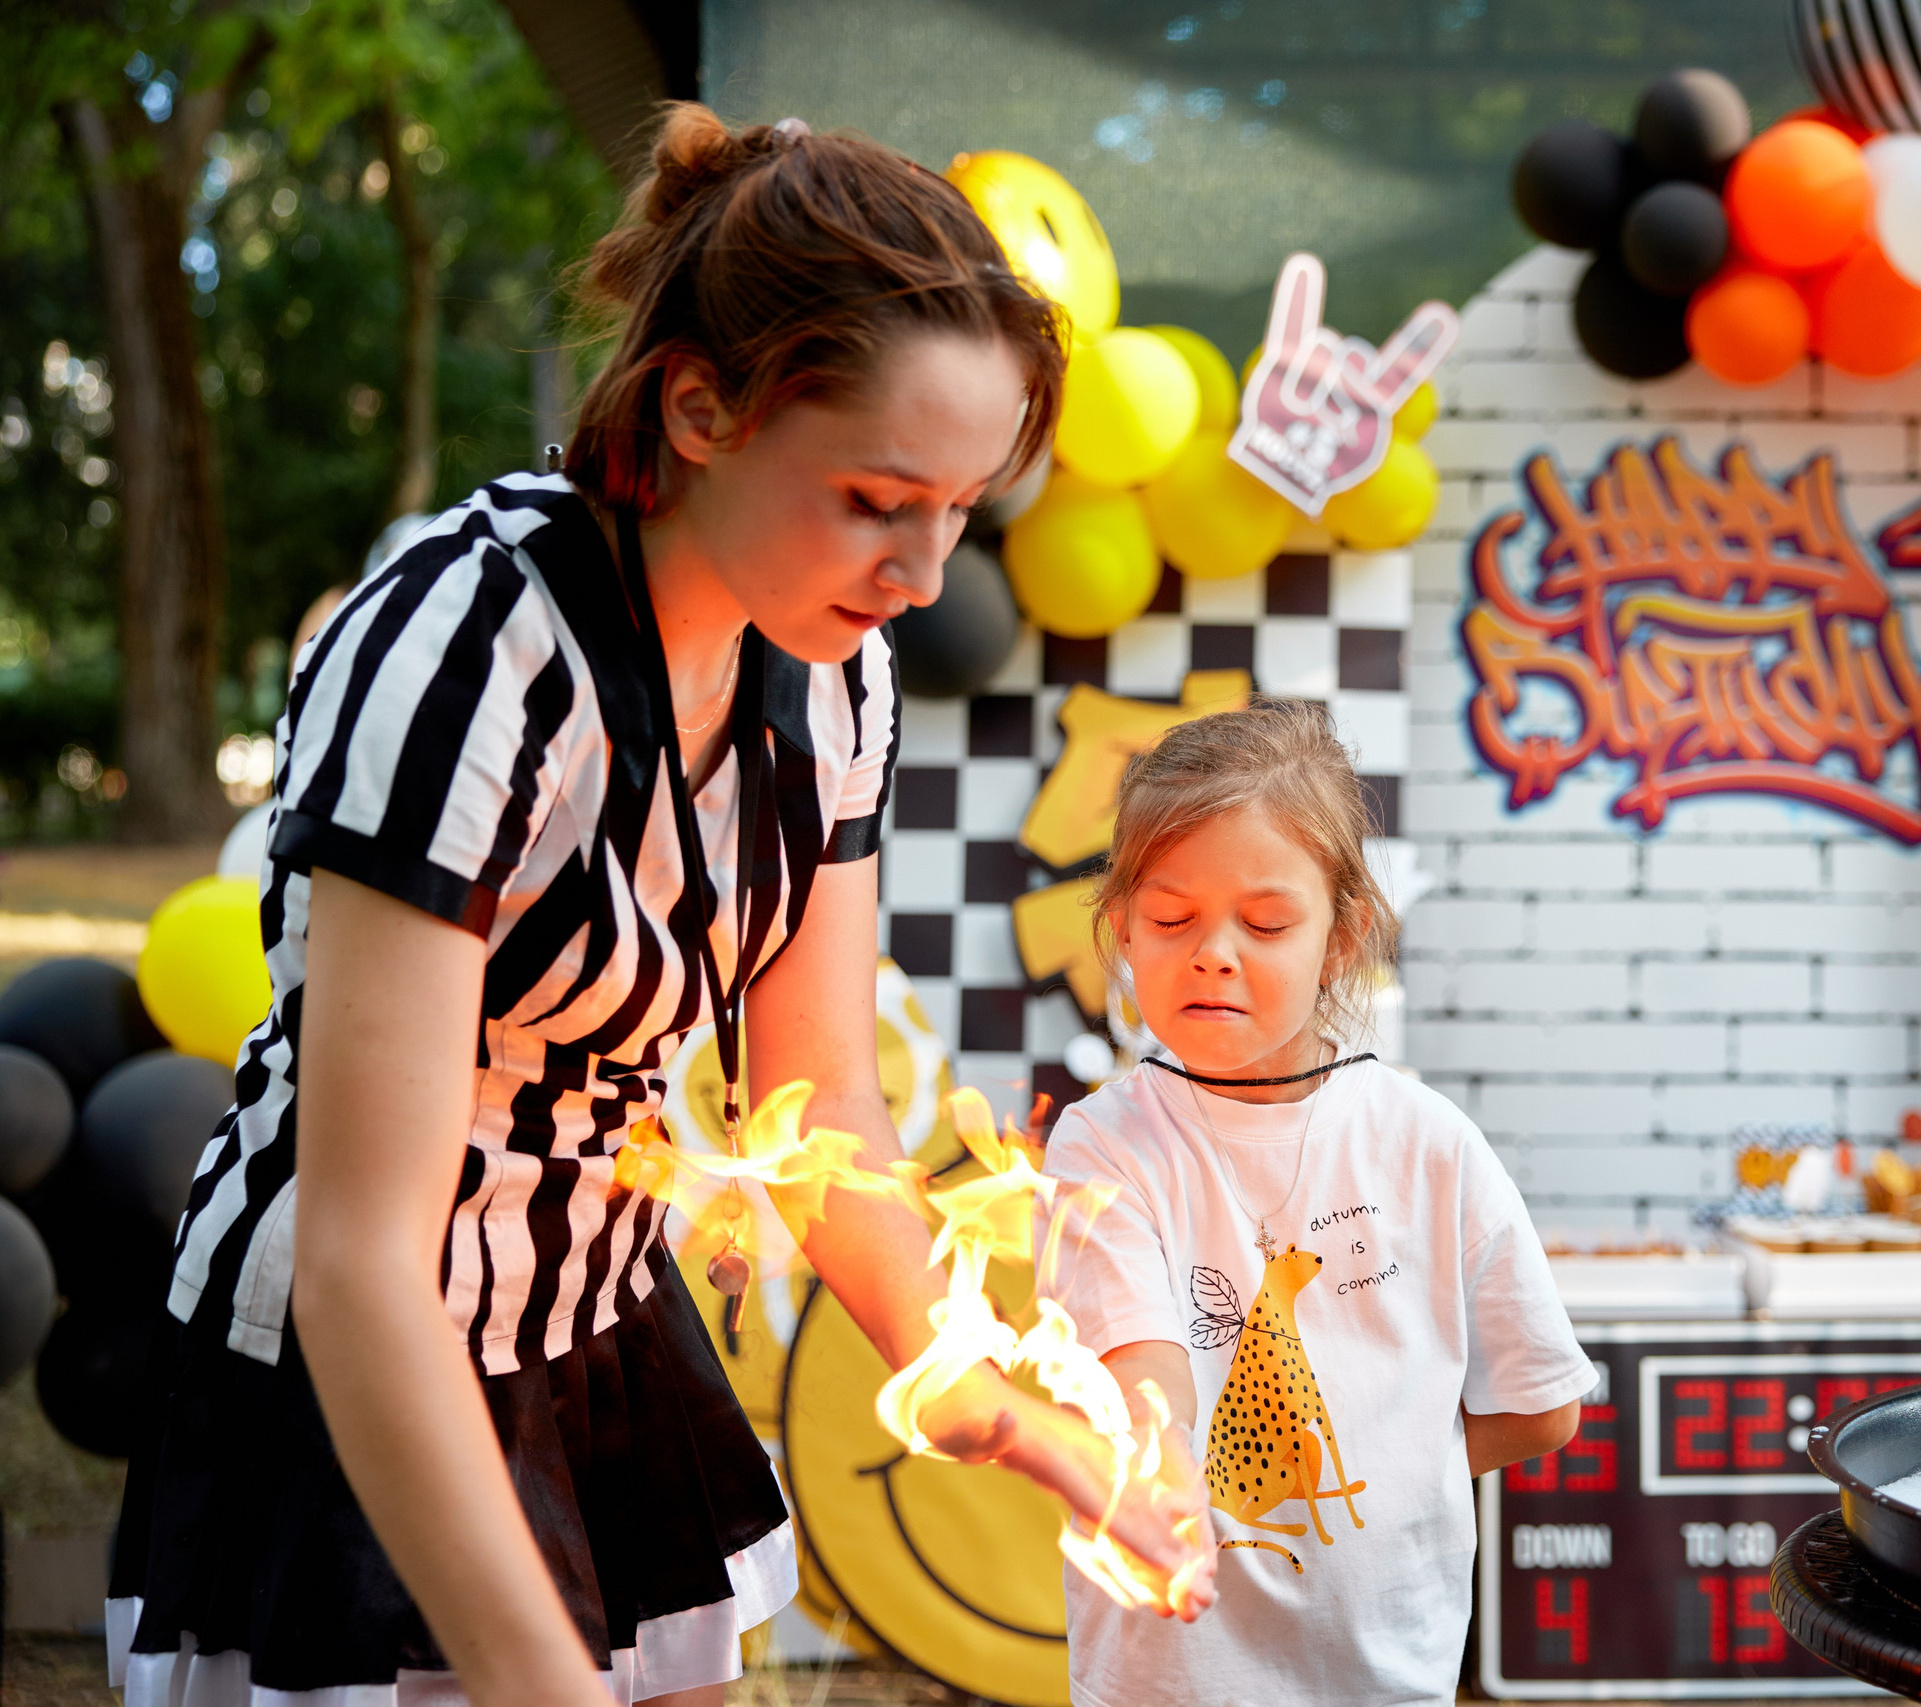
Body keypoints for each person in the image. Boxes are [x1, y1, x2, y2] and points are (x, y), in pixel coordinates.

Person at [108, 105, 1208, 1707]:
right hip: (353, 1367)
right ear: (701, 406)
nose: (920, 566)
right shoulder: (471, 645)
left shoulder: (838, 677)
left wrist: (1004, 1409)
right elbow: (363, 1255)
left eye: (960, 508)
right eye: (876, 496)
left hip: (598, 1321)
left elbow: (818, 1095)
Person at [1039, 700, 1590, 1706]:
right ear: (1120, 925)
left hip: (1386, 1681)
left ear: (1342, 936)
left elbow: (1543, 1405)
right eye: (1169, 918)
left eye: (1265, 922)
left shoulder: (1428, 1144)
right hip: (1168, 1684)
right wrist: (1164, 1466)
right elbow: (1137, 1357)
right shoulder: (1102, 1144)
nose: (1212, 951)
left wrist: (1393, 1472)